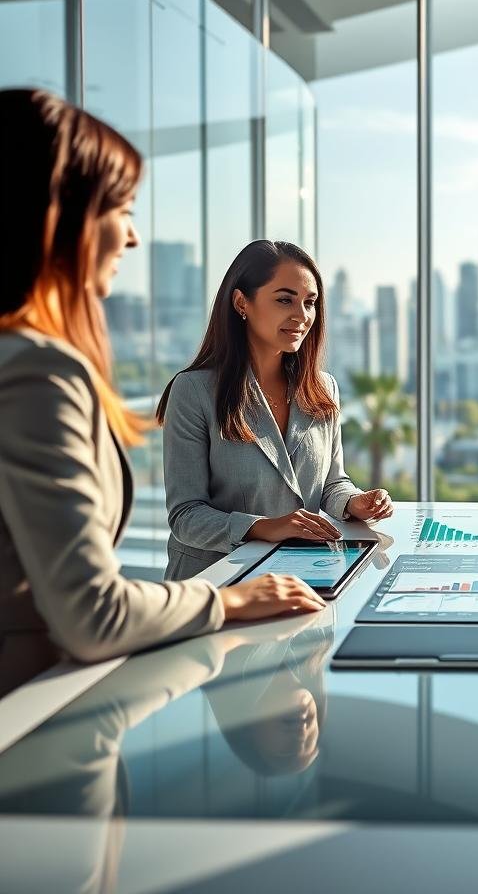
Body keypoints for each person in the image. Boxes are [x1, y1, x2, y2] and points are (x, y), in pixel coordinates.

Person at [0, 89, 326, 690]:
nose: (132, 239)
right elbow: (94, 613)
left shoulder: (26, 361)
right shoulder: (35, 373)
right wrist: (230, 601)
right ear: (58, 215)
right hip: (33, 708)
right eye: (119, 209)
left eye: (309, 302)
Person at [157, 240, 392, 581]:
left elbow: (331, 483)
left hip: (301, 579)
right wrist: (264, 527)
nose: (302, 315)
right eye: (285, 300)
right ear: (241, 303)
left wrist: (354, 502)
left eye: (309, 303)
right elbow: (185, 516)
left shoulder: (323, 389)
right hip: (214, 586)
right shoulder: (193, 391)